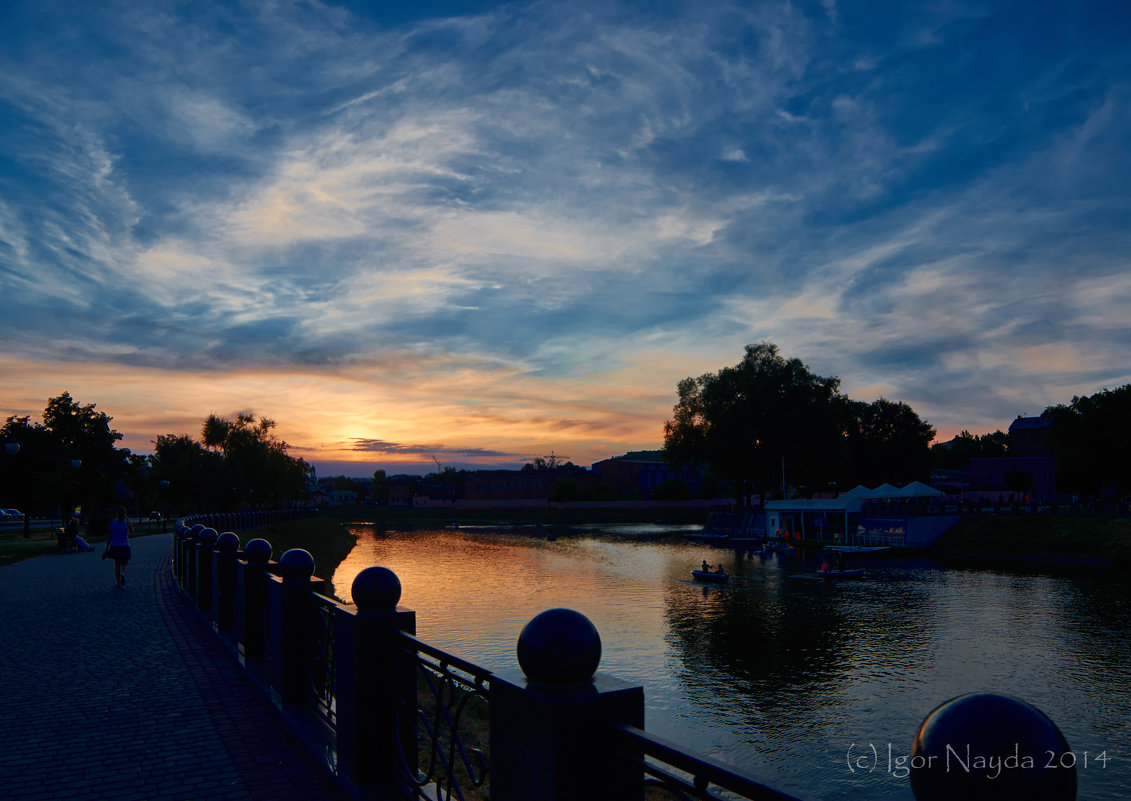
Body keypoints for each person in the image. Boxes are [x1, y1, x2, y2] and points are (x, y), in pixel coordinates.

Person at [106, 507, 134, 586]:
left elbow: (109, 536)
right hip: (125, 545)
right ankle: (123, 574)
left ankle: (117, 581)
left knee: (117, 564)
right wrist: (128, 520)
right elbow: (132, 531)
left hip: (115, 545)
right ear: (125, 514)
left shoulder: (112, 523)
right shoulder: (126, 523)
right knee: (124, 563)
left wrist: (106, 548)